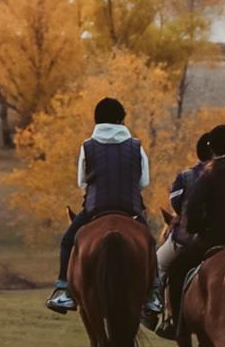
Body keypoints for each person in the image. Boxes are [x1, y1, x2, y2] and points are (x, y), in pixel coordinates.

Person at [160, 122, 225, 338]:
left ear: (212, 148)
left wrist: (199, 228)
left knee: (176, 270)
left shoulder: (209, 173)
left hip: (213, 240)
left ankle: (178, 326)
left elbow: (193, 212)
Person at [46, 96, 149, 314]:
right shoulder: (136, 146)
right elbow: (143, 182)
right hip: (130, 209)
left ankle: (65, 290)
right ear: (122, 119)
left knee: (67, 241)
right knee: (148, 242)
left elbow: (82, 181)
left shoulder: (88, 146)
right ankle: (153, 293)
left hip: (96, 208)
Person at [146, 128, 217, 333]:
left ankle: (154, 309)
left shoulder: (186, 176)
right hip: (222, 235)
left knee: (158, 264)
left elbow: (175, 203)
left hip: (188, 239)